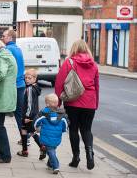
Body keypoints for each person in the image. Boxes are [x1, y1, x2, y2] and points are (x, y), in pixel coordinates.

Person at [55, 39, 99, 170]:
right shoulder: (94, 64)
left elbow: (59, 83)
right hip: (89, 102)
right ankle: (90, 153)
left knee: (73, 129)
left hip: (73, 101)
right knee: (86, 129)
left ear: (73, 49)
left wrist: (58, 101)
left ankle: (76, 158)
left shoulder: (69, 62)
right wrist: (95, 103)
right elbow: (97, 85)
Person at [1, 30, 26, 142]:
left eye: (4, 36)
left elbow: (4, 70)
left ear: (10, 37)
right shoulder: (18, 49)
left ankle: (26, 138)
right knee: (20, 113)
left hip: (13, 86)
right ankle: (25, 137)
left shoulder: (7, 50)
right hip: (21, 85)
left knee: (0, 112)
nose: (2, 38)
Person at [34, 94, 68, 174]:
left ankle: (56, 166)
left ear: (47, 104)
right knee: (52, 149)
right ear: (57, 103)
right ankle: (50, 164)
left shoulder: (44, 113)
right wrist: (63, 130)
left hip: (46, 136)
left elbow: (36, 121)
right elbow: (65, 124)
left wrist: (36, 127)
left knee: (50, 151)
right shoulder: (61, 114)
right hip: (57, 136)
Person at [16, 68, 46, 160]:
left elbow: (29, 104)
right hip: (34, 114)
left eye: (29, 78)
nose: (27, 80)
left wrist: (26, 116)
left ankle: (26, 150)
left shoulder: (29, 89)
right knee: (30, 131)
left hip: (28, 116)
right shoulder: (35, 88)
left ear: (34, 79)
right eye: (26, 78)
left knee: (25, 131)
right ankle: (40, 147)